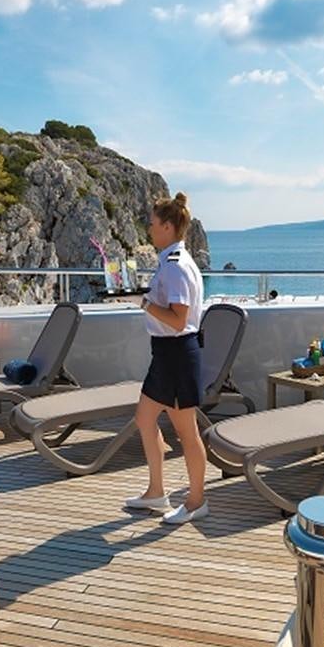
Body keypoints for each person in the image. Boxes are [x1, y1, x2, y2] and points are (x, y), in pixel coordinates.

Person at [124, 193, 209, 525]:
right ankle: (157, 492)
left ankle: (196, 501)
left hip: (177, 355)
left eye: (153, 223)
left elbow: (177, 319)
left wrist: (143, 303)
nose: (149, 228)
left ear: (169, 227)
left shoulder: (175, 268)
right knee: (144, 419)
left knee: (187, 433)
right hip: (164, 354)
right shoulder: (169, 262)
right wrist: (141, 297)